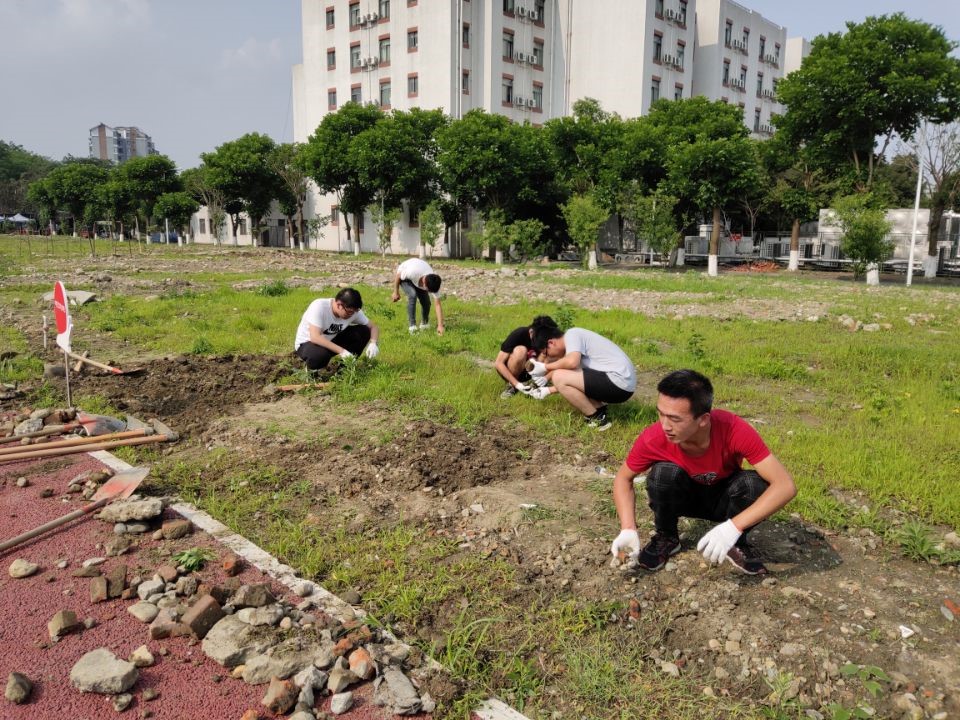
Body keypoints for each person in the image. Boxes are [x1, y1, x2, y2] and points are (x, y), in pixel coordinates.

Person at [610, 369, 797, 575]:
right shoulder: (654, 437)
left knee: (753, 484)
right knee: (663, 474)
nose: (665, 425)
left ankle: (736, 541)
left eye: (675, 419)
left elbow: (785, 486)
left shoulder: (733, 429)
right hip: (683, 499)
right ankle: (667, 536)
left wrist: (734, 527)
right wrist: (627, 528)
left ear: (703, 419)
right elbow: (623, 478)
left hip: (723, 500)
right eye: (661, 413)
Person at [527, 325, 637, 430]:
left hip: (619, 381)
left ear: (551, 343)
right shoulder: (574, 349)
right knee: (563, 374)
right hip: (622, 385)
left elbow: (572, 363)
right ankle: (599, 409)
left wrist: (545, 367)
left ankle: (597, 418)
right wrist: (548, 390)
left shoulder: (572, 334)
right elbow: (575, 382)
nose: (549, 356)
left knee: (558, 376)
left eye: (546, 353)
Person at [294, 287, 380, 374]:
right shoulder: (319, 306)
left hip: (331, 339)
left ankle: (345, 368)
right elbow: (315, 337)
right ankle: (311, 371)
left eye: (355, 311)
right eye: (349, 312)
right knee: (320, 356)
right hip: (308, 343)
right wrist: (342, 351)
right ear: (339, 305)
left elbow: (373, 327)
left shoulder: (352, 311)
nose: (352, 315)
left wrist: (373, 343)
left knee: (364, 331)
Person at [494, 316, 557, 399]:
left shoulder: (549, 339)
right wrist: (517, 384)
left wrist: (546, 378)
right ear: (531, 332)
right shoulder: (519, 334)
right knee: (521, 350)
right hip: (512, 370)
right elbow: (498, 363)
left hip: (531, 371)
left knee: (551, 352)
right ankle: (512, 386)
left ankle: (535, 385)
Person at [391, 258, 444, 335]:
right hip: (405, 277)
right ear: (424, 283)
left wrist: (440, 326)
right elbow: (398, 275)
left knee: (426, 302)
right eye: (429, 291)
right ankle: (412, 327)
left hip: (418, 275)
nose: (429, 292)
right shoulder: (411, 272)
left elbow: (437, 305)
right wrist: (396, 292)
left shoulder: (434, 282)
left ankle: (424, 324)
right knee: (413, 295)